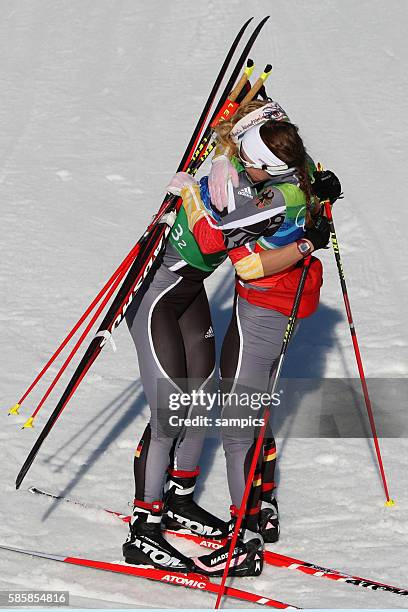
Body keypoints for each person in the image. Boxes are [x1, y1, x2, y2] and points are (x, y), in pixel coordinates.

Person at [122, 98, 340, 575]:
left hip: (191, 292)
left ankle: (183, 502)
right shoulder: (258, 179)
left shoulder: (267, 189)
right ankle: (145, 526)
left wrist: (198, 192)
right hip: (155, 295)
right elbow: (253, 115)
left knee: (204, 401)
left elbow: (222, 236)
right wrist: (220, 158)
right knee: (172, 410)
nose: (249, 170)